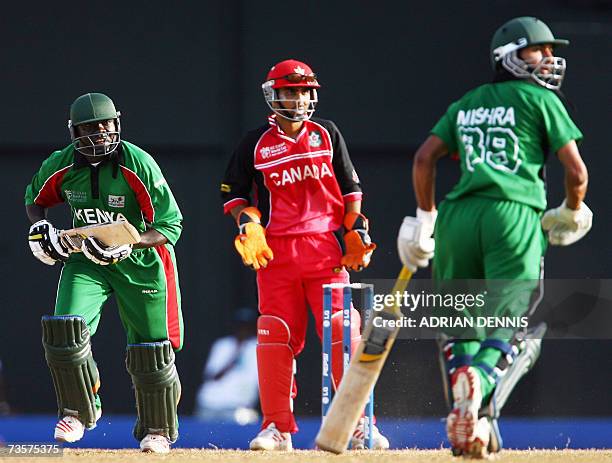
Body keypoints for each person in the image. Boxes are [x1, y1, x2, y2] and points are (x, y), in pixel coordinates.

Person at [397, 17, 591, 458]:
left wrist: (426, 218)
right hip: (513, 213)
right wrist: (572, 210)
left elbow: (425, 158)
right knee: (512, 318)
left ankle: (474, 418)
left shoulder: (468, 101)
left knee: (459, 320)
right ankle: (481, 379)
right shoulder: (540, 98)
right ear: (508, 56)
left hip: (457, 216)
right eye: (536, 51)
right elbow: (576, 172)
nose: (547, 59)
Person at [220, 59, 388, 451]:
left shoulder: (327, 134)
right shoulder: (254, 142)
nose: (296, 99)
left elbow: (350, 191)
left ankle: (360, 423)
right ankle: (277, 427)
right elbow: (234, 192)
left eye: (303, 91)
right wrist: (248, 224)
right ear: (273, 95)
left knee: (344, 332)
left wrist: (356, 231)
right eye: (289, 92)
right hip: (275, 255)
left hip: (324, 252)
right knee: (274, 335)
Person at [25, 93, 184, 454]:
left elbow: (170, 224)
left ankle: (156, 428)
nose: (99, 134)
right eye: (89, 128)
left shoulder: (137, 163)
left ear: (117, 124)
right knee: (64, 327)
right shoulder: (61, 164)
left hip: (139, 262)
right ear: (73, 131)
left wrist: (132, 242)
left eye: (106, 125)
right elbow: (35, 200)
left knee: (152, 349)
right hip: (86, 257)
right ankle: (78, 412)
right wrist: (42, 229)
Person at [195, 307, 259, 424]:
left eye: (247, 327)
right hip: (210, 403)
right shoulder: (222, 345)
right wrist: (235, 356)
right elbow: (211, 375)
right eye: (240, 326)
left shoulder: (259, 347)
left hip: (239, 407)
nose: (243, 330)